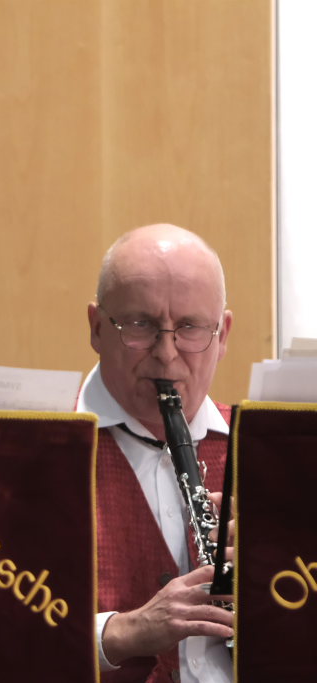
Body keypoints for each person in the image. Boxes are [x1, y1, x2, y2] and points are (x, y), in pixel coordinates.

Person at [77, 224, 235, 683]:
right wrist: (123, 633)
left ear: (223, 333)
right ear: (97, 328)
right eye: (140, 325)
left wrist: (279, 576)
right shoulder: (37, 454)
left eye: (190, 327)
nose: (166, 354)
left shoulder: (269, 451)